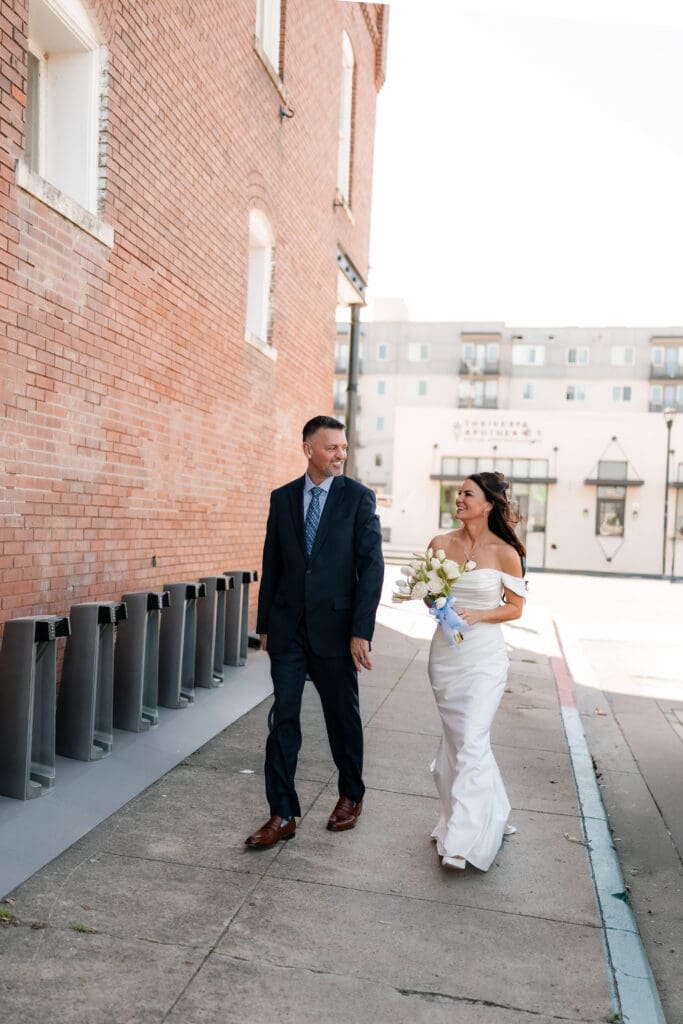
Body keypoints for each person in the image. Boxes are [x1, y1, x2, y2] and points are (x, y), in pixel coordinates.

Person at [245, 415, 384, 849]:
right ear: (308, 449)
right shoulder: (282, 498)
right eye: (331, 448)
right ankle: (282, 812)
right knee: (282, 719)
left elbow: (372, 568)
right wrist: (264, 623)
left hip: (337, 630)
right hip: (288, 631)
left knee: (342, 717)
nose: (340, 454)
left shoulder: (358, 498)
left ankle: (351, 795)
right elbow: (274, 563)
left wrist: (361, 631)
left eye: (343, 448)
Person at [426, 471, 526, 871]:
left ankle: (462, 842)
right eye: (458, 493)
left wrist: (480, 614)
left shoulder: (506, 552)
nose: (459, 498)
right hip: (446, 655)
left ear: (488, 504)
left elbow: (516, 607)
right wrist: (437, 605)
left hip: (484, 658)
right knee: (460, 741)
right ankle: (489, 810)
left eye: (468, 494)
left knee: (472, 739)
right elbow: (429, 593)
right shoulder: (439, 544)